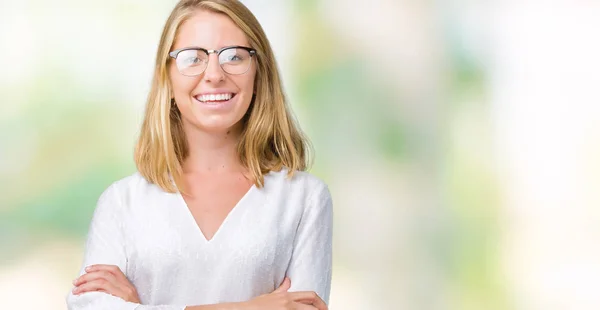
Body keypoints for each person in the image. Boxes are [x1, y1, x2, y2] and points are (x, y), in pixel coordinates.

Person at [65, 0, 332, 309]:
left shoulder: (304, 199)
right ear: (167, 77)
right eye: (192, 58)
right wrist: (249, 307)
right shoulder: (122, 203)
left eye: (234, 56)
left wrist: (141, 306)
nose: (214, 74)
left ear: (259, 73)